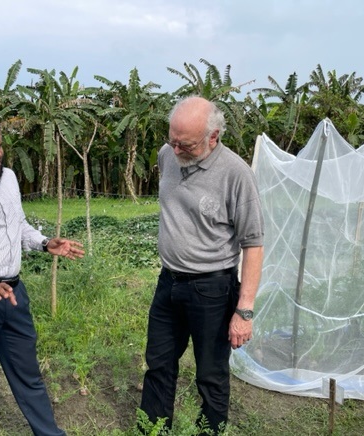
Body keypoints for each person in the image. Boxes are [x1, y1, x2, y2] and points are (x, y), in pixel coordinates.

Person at [0, 110, 84, 436]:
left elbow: (17, 225)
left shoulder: (7, 178)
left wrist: (45, 243)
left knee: (29, 375)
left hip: (14, 296)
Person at [139, 97, 264, 434]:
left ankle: (209, 431)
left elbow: (253, 244)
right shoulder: (168, 155)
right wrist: (176, 147)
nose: (176, 150)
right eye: (172, 140)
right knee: (159, 364)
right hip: (168, 283)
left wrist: (244, 311)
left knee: (210, 373)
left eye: (186, 145)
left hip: (212, 290)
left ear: (213, 137)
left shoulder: (236, 174)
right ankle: (152, 430)